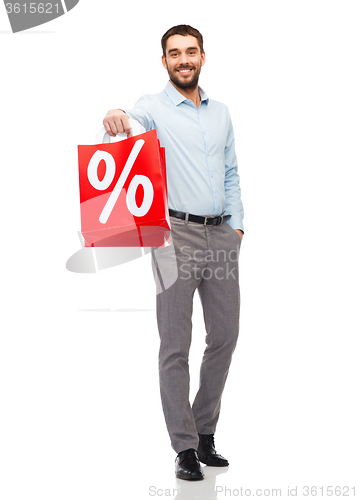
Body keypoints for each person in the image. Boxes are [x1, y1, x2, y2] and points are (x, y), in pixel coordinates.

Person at [103, 24, 244, 481]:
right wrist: (116, 115)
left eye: (191, 51)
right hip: (172, 236)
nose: (184, 59)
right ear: (164, 61)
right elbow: (131, 123)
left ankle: (205, 433)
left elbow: (231, 170)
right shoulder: (154, 107)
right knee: (175, 344)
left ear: (203, 56)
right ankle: (183, 447)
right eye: (174, 53)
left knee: (224, 336)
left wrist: (237, 225)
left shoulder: (221, 112)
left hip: (221, 235)